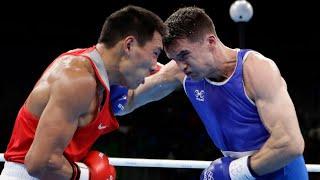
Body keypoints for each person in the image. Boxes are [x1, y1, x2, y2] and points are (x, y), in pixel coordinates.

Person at [115, 6, 308, 179]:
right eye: (174, 58)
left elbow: (290, 144)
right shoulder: (181, 71)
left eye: (184, 55)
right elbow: (127, 101)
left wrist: (234, 172)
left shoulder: (256, 70)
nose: (181, 65)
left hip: (279, 171)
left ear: (210, 41)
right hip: (240, 171)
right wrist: (108, 75)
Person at [0, 5, 167, 180]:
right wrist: (88, 174)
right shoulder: (78, 79)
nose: (154, 64)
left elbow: (159, 80)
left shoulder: (101, 79)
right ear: (129, 45)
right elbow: (39, 163)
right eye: (155, 53)